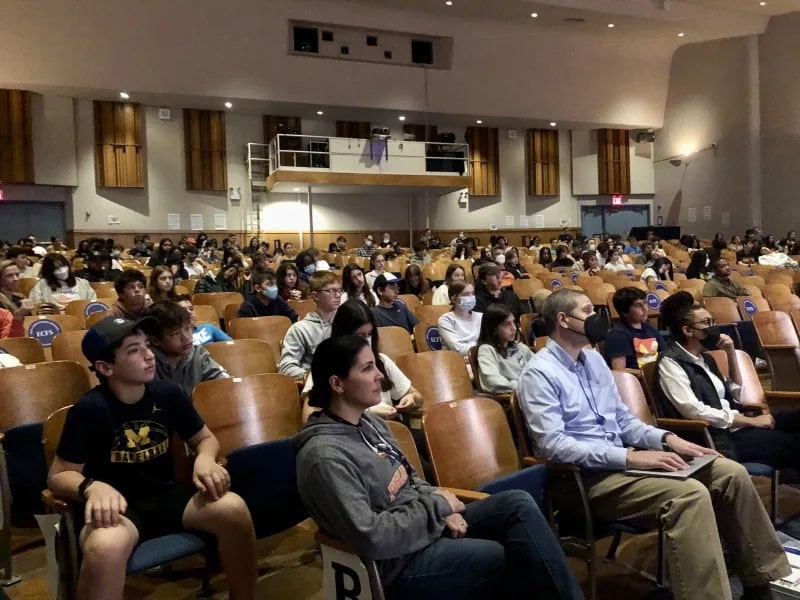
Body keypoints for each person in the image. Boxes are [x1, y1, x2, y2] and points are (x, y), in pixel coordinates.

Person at [518, 289, 789, 600]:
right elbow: (553, 446)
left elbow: (624, 421)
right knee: (688, 496)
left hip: (622, 462)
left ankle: (759, 583)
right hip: (582, 478)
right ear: (563, 320)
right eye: (587, 311)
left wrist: (668, 439)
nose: (596, 318)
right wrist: (630, 458)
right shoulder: (539, 373)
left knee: (730, 473)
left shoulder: (593, 360)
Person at [294, 335, 583, 600]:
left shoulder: (371, 423)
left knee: (517, 504)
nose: (380, 375)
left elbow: (409, 477)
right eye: (368, 368)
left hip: (421, 528)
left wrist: (437, 509)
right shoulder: (325, 457)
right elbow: (372, 537)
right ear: (337, 383)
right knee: (494, 555)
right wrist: (436, 511)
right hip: (394, 564)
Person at [47, 316, 257, 600]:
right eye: (133, 350)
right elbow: (59, 475)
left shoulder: (167, 393)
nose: (148, 355)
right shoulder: (89, 409)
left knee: (234, 510)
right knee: (105, 547)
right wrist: (92, 487)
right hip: (119, 508)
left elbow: (205, 438)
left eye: (146, 345)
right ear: (105, 367)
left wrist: (205, 458)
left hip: (165, 494)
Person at [656, 292, 800, 472]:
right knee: (794, 444)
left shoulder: (705, 359)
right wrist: (750, 422)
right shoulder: (670, 363)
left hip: (737, 425)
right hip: (721, 437)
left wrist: (730, 353)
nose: (714, 327)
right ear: (688, 330)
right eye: (707, 323)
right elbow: (693, 411)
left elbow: (735, 393)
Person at [301, 299, 422, 422]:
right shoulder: (327, 366)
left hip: (386, 432)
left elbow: (417, 396)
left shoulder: (382, 360)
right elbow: (309, 418)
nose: (366, 341)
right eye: (360, 336)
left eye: (369, 334)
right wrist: (367, 413)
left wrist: (411, 399)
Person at [146, 301, 228, 395]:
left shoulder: (198, 354)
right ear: (156, 341)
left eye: (187, 328)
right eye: (175, 334)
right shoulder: (147, 363)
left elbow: (222, 380)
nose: (186, 337)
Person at [278, 271, 341, 380]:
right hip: (319, 387)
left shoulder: (346, 322)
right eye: (332, 291)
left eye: (340, 290)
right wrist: (317, 375)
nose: (338, 295)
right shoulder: (300, 329)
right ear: (315, 296)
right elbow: (286, 368)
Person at [604, 287, 665, 370]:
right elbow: (619, 371)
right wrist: (644, 375)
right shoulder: (618, 334)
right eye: (638, 306)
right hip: (635, 380)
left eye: (645, 303)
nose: (645, 308)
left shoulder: (651, 329)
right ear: (624, 312)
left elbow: (665, 357)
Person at [476, 304, 533, 394]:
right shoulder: (486, 350)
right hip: (511, 399)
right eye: (507, 324)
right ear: (494, 329)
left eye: (514, 322)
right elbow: (493, 382)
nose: (513, 328)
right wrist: (526, 386)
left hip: (530, 392)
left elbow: (540, 366)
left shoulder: (520, 347)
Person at [29, 253, 96, 313]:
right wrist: (39, 310)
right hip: (54, 320)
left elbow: (93, 304)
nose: (61, 270)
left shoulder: (83, 283)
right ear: (49, 271)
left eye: (63, 266)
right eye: (56, 268)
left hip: (80, 316)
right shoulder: (41, 285)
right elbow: (35, 306)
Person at [437, 281, 482, 356]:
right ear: (454, 299)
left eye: (473, 293)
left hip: (481, 358)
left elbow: (492, 343)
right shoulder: (446, 320)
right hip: (457, 363)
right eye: (466, 294)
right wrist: (482, 346)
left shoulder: (481, 316)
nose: (471, 297)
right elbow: (458, 349)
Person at [0, 259, 34, 337]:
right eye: (9, 276)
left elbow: (29, 322)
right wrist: (19, 315)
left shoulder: (20, 297)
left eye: (17, 275)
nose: (15, 279)